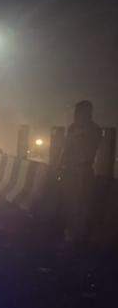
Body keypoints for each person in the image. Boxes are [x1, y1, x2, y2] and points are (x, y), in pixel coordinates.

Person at [57, 100, 102, 244]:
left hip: (83, 172)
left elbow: (90, 150)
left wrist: (80, 136)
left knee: (81, 204)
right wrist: (60, 165)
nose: (78, 115)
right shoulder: (72, 127)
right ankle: (69, 232)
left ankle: (78, 236)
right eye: (78, 112)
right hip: (68, 171)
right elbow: (66, 148)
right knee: (68, 202)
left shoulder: (95, 129)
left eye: (82, 112)